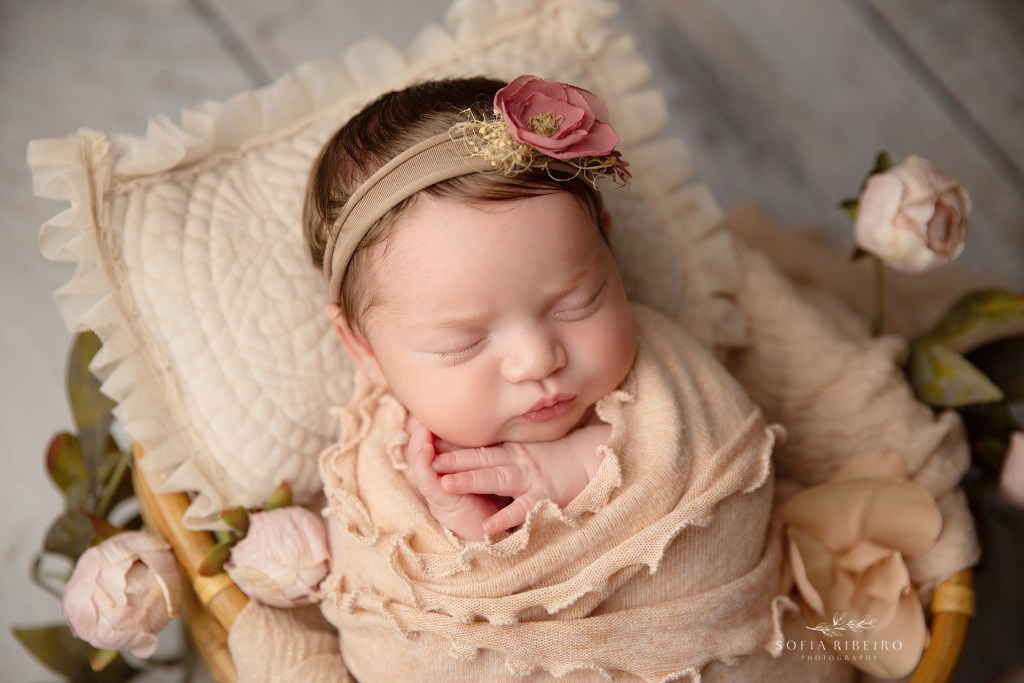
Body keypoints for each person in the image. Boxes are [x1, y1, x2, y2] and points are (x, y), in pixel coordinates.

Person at [305, 75, 637, 541]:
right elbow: (397, 598)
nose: (538, 360)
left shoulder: (659, 381)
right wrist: (473, 533)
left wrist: (592, 460)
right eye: (465, 343)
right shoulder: (389, 469)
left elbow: (719, 445)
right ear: (363, 349)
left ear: (609, 249)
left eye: (576, 303)